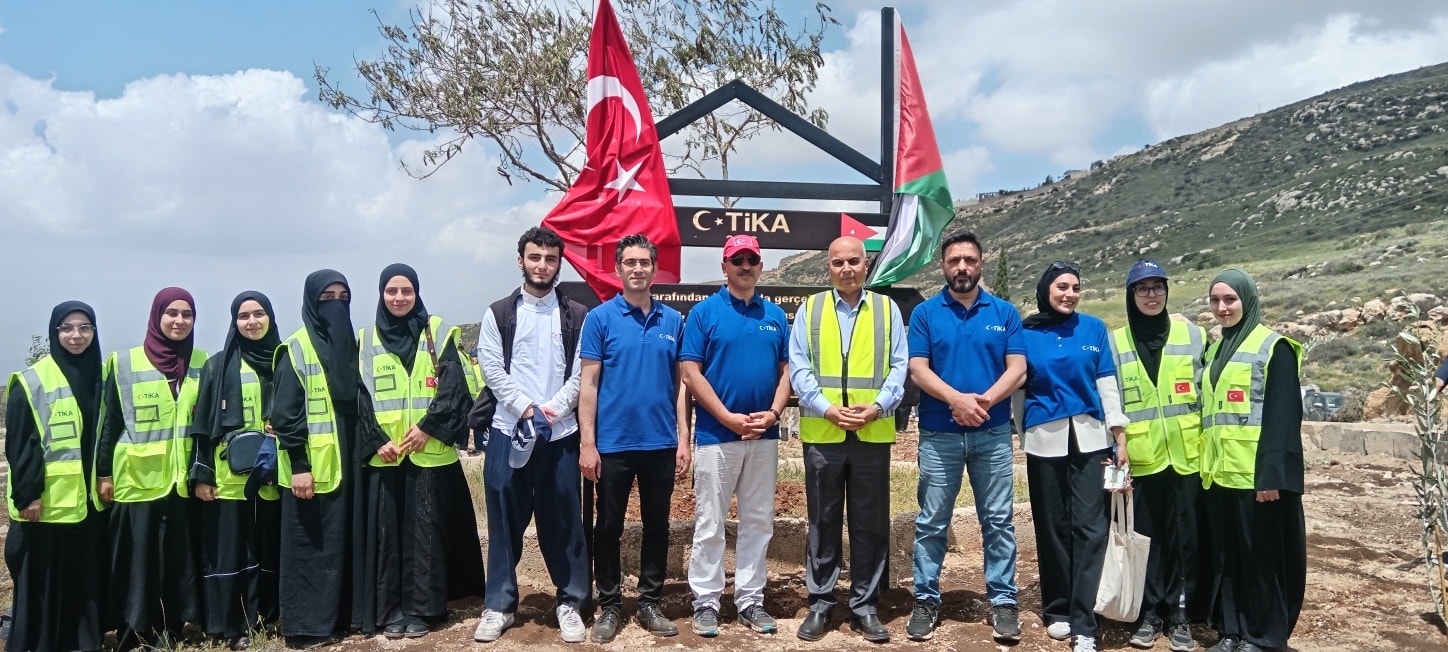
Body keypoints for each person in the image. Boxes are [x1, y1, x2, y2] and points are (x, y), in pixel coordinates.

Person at [904, 231, 1026, 643]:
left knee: (998, 521)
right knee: (932, 522)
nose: (962, 267)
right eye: (954, 260)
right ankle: (925, 599)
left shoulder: (1005, 312)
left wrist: (984, 402)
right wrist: (957, 400)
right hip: (940, 434)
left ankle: (1004, 602)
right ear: (943, 265)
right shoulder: (926, 314)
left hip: (992, 433)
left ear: (980, 264)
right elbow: (918, 369)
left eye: (969, 260)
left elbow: (1017, 369)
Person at [473, 226, 590, 644]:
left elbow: (581, 372)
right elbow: (492, 369)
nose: (542, 265)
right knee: (504, 521)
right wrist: (526, 408)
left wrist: (551, 411)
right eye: (535, 257)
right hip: (509, 431)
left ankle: (571, 602)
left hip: (560, 435)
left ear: (559, 264)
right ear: (520, 260)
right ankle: (499, 605)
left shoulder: (578, 315)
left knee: (564, 521)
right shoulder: (498, 313)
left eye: (550, 259)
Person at [788, 236, 907, 643]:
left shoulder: (887, 310)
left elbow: (899, 366)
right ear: (829, 267)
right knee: (822, 521)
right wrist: (826, 409)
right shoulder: (811, 309)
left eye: (854, 261)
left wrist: (878, 406)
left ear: (866, 265)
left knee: (870, 522)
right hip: (823, 433)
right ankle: (821, 603)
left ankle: (865, 605)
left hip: (871, 433)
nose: (847, 269)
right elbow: (799, 367)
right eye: (838, 262)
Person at [357, 263, 485, 639]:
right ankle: (390, 610)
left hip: (428, 456)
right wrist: (375, 439)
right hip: (387, 457)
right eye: (391, 291)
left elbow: (455, 387)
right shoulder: (365, 339)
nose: (399, 298)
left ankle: (423, 610)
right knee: (388, 536)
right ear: (381, 294)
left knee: (426, 535)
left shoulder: (437, 332)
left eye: (407, 291)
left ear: (417, 293)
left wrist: (428, 428)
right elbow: (359, 397)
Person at [577, 234, 690, 643]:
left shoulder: (673, 322)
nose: (638, 269)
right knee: (608, 528)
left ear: (654, 269)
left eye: (644, 262)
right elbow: (588, 385)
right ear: (618, 268)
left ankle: (649, 603)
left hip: (660, 443)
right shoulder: (600, 319)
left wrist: (684, 438)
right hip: (613, 445)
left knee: (658, 527)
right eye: (630, 262)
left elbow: (682, 385)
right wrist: (588, 443)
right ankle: (609, 606)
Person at [680, 234, 791, 638]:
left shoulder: (776, 315)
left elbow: (787, 372)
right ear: (724, 266)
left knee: (758, 520)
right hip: (716, 435)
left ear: (761, 266)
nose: (745, 266)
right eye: (737, 259)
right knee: (711, 522)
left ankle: (750, 600)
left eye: (752, 260)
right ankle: (706, 602)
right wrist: (727, 417)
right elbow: (690, 373)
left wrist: (774, 413)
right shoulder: (704, 313)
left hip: (764, 435)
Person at [1018, 262, 1129, 652]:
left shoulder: (1094, 329)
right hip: (1043, 440)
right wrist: (1024, 434)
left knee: (1090, 528)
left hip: (1091, 440)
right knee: (1052, 527)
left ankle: (1085, 621)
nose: (1069, 294)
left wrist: (1119, 436)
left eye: (1075, 288)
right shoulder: (1026, 333)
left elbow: (1107, 384)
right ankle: (1058, 609)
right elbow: (1018, 391)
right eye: (1062, 287)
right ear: (1046, 289)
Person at [1199, 270, 1306, 652]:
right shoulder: (1215, 351)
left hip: (1257, 479)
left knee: (1261, 561)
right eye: (1215, 300)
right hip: (1219, 476)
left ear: (1247, 300)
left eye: (1230, 299)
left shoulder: (1274, 347)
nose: (1222, 307)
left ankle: (1262, 637)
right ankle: (1231, 631)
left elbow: (1283, 415)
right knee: (1227, 560)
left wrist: (1271, 476)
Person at [97, 288, 208, 650]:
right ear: (157, 316)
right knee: (138, 562)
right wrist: (103, 474)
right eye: (171, 313)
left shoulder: (201, 362)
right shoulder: (124, 363)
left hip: (180, 483)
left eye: (187, 314)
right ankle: (133, 631)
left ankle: (170, 628)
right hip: (135, 482)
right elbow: (109, 424)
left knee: (175, 561)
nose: (179, 321)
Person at [1110, 261, 1207, 652]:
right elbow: (1110, 403)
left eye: (1158, 287)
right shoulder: (1116, 343)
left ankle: (1180, 615)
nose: (1151, 295)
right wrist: (1115, 453)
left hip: (1187, 458)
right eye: (1142, 288)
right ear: (1131, 295)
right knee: (1145, 541)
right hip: (1141, 460)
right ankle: (1149, 614)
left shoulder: (1193, 335)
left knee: (1185, 540)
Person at [4, 301, 107, 652]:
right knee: (43, 580)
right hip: (45, 505)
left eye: (84, 327)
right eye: (67, 328)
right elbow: (21, 443)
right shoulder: (33, 381)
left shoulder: (101, 377)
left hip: (86, 502)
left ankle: (82, 641)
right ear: (54, 332)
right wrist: (29, 494)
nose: (76, 335)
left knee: (81, 576)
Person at [271, 270, 367, 648]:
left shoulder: (351, 346)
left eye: (343, 297)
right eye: (327, 298)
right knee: (310, 546)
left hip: (349, 460)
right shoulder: (296, 348)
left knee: (342, 540)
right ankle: (305, 628)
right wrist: (300, 466)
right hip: (312, 468)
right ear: (312, 302)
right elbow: (284, 415)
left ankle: (343, 618)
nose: (336, 305)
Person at [190, 291, 284, 650]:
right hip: (228, 480)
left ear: (270, 317)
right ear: (235, 322)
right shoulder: (218, 365)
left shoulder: (283, 360)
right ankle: (229, 625)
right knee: (230, 552)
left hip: (273, 477)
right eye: (244, 316)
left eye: (259, 314)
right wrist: (202, 475)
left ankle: (267, 618)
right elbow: (202, 425)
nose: (252, 321)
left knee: (268, 548)